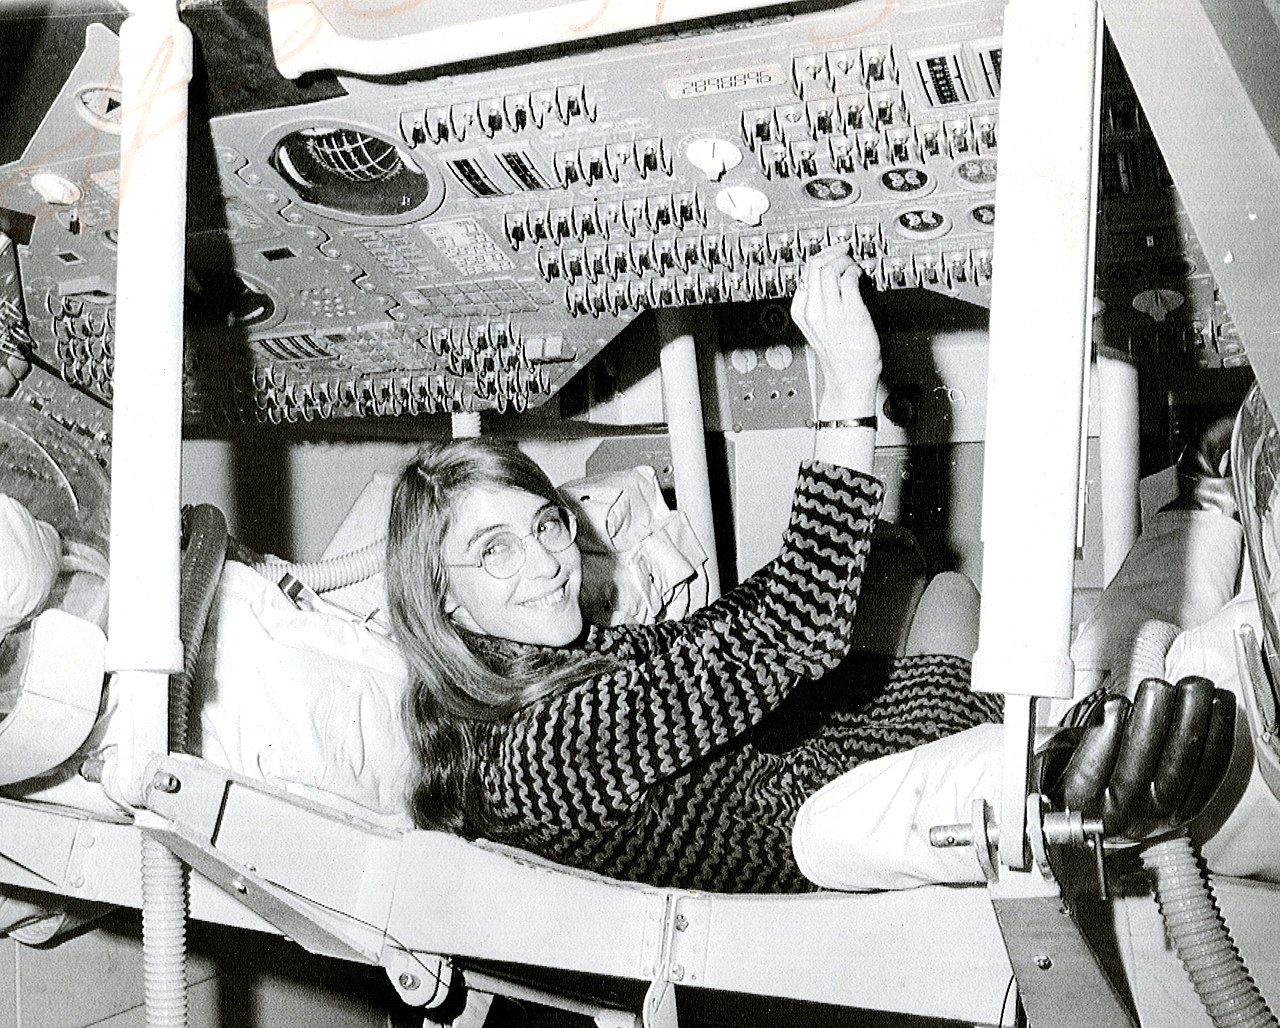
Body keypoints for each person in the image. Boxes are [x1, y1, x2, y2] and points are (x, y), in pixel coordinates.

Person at [385, 245, 1231, 893]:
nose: (545, 562)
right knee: (1108, 676)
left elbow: (726, 632)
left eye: (544, 525)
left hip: (818, 752)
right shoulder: (543, 750)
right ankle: (1204, 528)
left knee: (939, 585)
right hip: (851, 801)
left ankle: (1195, 517)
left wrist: (830, 548)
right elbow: (789, 632)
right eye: (493, 550)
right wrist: (847, 393)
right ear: (445, 603)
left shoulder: (530, 680)